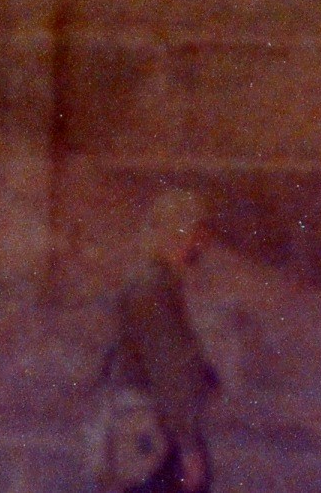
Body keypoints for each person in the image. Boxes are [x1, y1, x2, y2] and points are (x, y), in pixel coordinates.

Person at [96, 189, 224, 493]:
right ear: (181, 234)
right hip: (156, 438)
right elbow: (169, 371)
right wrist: (189, 447)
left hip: (156, 432)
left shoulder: (158, 283)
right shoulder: (151, 289)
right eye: (199, 233)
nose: (204, 244)